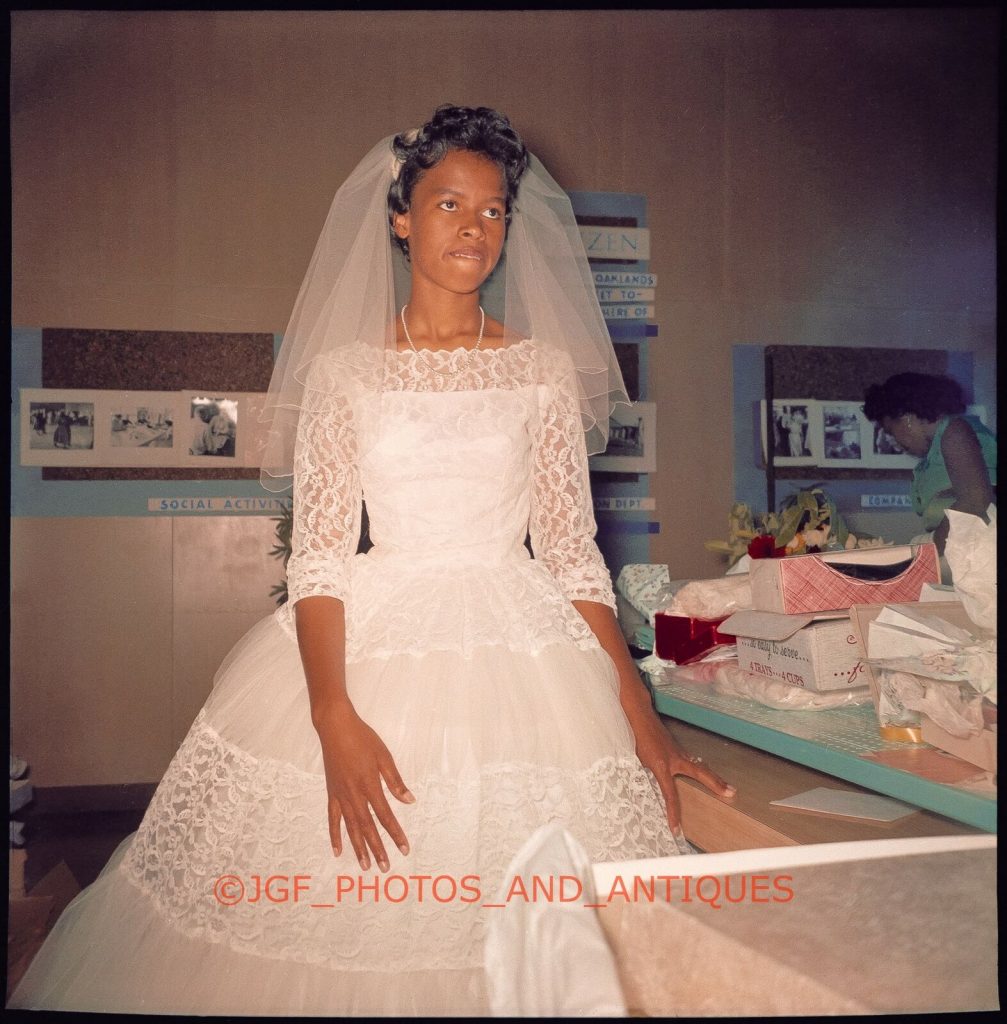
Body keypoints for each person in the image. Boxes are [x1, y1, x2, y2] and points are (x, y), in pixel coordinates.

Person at [10, 105, 735, 1016]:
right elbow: (316, 560)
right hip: (375, 641)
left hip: (529, 651)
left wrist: (642, 716)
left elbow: (572, 556)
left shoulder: (541, 371)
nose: (473, 228)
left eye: (492, 209)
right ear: (400, 217)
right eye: (447, 205)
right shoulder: (345, 374)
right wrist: (330, 715)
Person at [863, 372, 996, 556]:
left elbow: (975, 502)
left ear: (906, 418)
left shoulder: (956, 432)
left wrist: (924, 548)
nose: (895, 441)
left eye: (890, 431)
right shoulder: (937, 450)